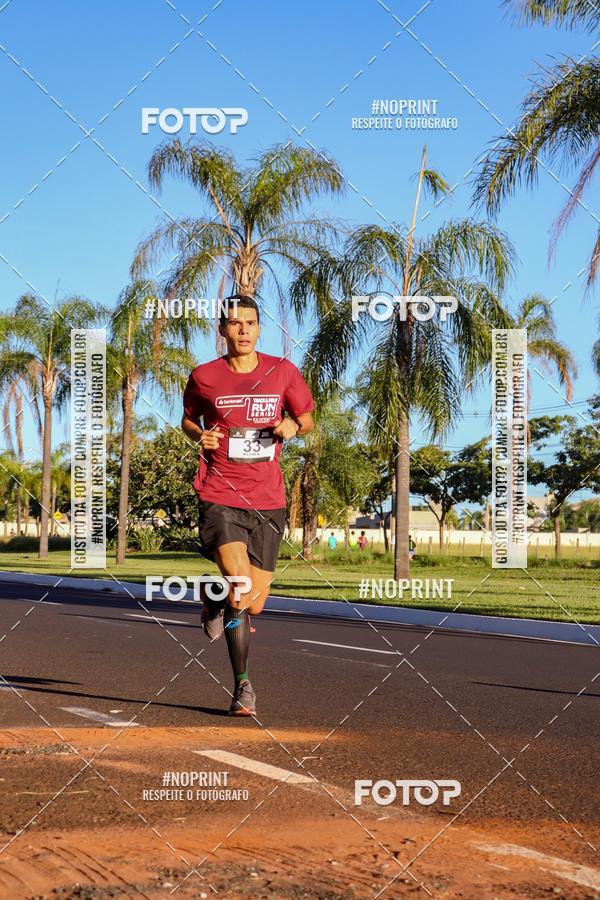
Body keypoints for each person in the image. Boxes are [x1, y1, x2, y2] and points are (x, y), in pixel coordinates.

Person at [182, 294, 314, 716]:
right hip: (220, 494)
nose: (243, 330)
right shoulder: (205, 376)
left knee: (254, 603)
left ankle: (212, 596)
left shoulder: (282, 371)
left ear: (259, 328)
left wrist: (292, 425)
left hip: (268, 500)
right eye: (235, 323)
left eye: (251, 323)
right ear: (223, 329)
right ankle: (243, 687)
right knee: (241, 590)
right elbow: (188, 419)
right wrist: (198, 435)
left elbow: (307, 418)